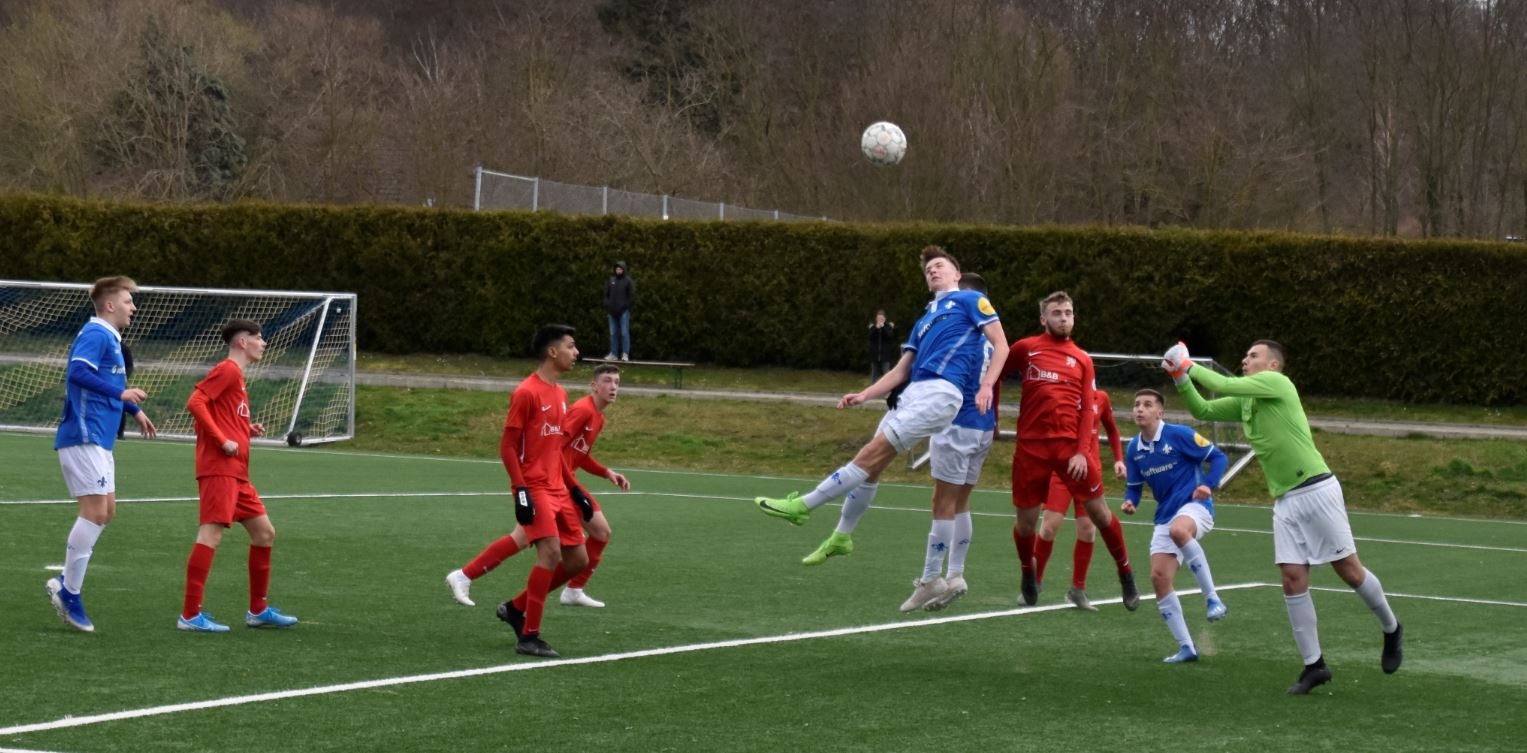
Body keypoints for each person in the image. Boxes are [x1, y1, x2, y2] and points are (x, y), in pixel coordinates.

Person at [756, 246, 1009, 612]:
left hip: (942, 395)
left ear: (957, 274)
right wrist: (866, 393)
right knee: (876, 462)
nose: (933, 271)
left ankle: (804, 506)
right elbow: (902, 370)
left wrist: (986, 386)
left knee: (875, 455)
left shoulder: (970, 300)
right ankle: (854, 541)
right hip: (915, 393)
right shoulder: (925, 319)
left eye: (940, 266)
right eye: (928, 269)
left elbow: (1001, 343)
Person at [1164, 339, 1402, 693]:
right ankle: (1314, 665)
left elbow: (1223, 383)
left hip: (1316, 489)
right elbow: (1203, 410)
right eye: (1246, 355)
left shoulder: (1277, 383)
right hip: (1285, 500)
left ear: (1273, 365)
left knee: (1349, 571)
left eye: (1253, 355)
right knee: (1292, 578)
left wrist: (1187, 363)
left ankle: (1392, 628)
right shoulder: (1248, 400)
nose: (1245, 359)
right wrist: (1180, 378)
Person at [446, 324, 592, 658]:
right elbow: (508, 447)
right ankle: (529, 636)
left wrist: (575, 490)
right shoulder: (526, 392)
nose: (576, 353)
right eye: (571, 346)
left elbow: (556, 452)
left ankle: (515, 608)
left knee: (577, 560)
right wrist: (521, 490)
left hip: (558, 488)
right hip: (535, 487)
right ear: (552, 352)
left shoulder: (561, 394)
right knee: (550, 553)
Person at [998, 291, 1138, 610]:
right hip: (1031, 449)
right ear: (1043, 319)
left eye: (1068, 313)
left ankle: (1126, 572)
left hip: (1070, 451)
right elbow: (994, 376)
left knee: (1099, 515)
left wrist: (1081, 451)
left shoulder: (1082, 359)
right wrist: (990, 417)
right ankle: (1028, 572)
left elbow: (1088, 410)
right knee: (1027, 524)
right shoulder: (1026, 348)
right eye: (1057, 313)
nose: (1064, 318)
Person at [47, 276, 158, 633]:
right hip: (84, 434)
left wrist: (134, 410)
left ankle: (66, 584)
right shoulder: (96, 333)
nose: (133, 307)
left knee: (106, 511)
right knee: (95, 513)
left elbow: (111, 385)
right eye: (127, 301)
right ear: (109, 305)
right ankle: (69, 592)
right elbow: (77, 372)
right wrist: (122, 395)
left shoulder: (110, 337)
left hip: (99, 437)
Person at [177, 319, 299, 632]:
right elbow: (196, 402)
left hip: (237, 474)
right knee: (211, 535)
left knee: (264, 533)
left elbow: (220, 414)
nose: (264, 343)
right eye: (259, 338)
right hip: (220, 469)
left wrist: (245, 430)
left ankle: (258, 610)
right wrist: (222, 440)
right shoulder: (228, 370)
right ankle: (189, 615)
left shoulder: (237, 377)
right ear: (242, 342)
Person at [1120, 388, 1229, 663]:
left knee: (1178, 530)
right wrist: (1130, 501)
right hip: (1165, 514)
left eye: (1147, 404)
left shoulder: (1179, 434)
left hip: (1196, 506)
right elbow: (1134, 486)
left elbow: (1219, 457)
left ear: (1160, 412)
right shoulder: (1134, 448)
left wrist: (1208, 484)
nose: (1140, 409)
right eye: (1136, 404)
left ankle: (1213, 599)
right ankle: (1187, 648)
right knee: (1159, 578)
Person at [1034, 384, 1126, 611]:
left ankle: (1078, 589)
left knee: (1088, 529)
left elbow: (1112, 430)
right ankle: (1034, 582)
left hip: (1089, 472)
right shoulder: (1062, 397)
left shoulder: (1101, 398)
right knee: (1049, 526)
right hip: (1062, 471)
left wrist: (1118, 459)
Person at [555, 364, 632, 608]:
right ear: (594, 386)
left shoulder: (598, 417)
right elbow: (554, 447)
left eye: (617, 382)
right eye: (607, 381)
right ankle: (468, 575)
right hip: (556, 483)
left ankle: (574, 590)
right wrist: (571, 487)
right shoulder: (583, 410)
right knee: (542, 545)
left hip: (567, 481)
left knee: (601, 533)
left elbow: (581, 455)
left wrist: (607, 472)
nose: (613, 387)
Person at [603, 261, 635, 361]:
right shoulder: (611, 280)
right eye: (617, 269)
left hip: (623, 312)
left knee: (624, 333)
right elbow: (606, 294)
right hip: (612, 312)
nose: (618, 271)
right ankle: (614, 354)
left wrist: (624, 306)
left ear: (624, 270)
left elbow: (631, 296)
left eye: (620, 269)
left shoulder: (628, 281)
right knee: (613, 333)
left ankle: (625, 354)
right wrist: (607, 304)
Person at [868, 310, 897, 383]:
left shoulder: (888, 327)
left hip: (885, 355)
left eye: (881, 318)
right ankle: (873, 388)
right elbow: (870, 336)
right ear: (876, 319)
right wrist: (876, 329)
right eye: (878, 318)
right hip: (875, 355)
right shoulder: (873, 327)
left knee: (886, 374)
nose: (880, 320)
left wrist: (883, 328)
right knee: (874, 375)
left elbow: (889, 336)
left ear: (885, 319)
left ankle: (887, 387)